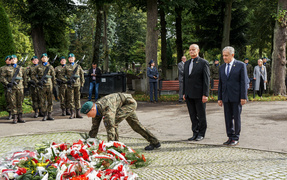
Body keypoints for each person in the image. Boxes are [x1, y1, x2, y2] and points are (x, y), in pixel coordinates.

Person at [80, 93, 161, 151]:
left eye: (88, 114)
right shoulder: (96, 111)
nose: (88, 116)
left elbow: (111, 127)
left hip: (129, 104)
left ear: (93, 109)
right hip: (120, 105)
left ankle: (115, 147)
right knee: (135, 125)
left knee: (113, 122)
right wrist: (88, 144)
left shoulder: (106, 108)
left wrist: (110, 148)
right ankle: (155, 142)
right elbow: (94, 128)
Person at [218, 46, 248, 146]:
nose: (224, 57)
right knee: (227, 118)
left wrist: (244, 97)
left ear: (232, 55)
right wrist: (219, 98)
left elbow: (244, 82)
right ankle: (230, 137)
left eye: (226, 55)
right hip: (226, 97)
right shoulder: (221, 67)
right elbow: (221, 84)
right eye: (223, 56)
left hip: (237, 97)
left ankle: (236, 137)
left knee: (236, 117)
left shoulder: (240, 65)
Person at [183, 44, 210, 141]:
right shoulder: (187, 63)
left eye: (193, 50)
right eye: (190, 50)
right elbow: (185, 79)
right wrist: (183, 93)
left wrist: (205, 94)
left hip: (199, 94)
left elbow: (206, 80)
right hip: (189, 94)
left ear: (198, 50)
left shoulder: (203, 63)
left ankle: (201, 133)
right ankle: (195, 132)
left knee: (201, 115)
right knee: (193, 115)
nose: (191, 52)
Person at [0, 55, 26, 124]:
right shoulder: (6, 68)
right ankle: (14, 117)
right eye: (12, 59)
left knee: (20, 102)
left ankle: (20, 117)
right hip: (11, 88)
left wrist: (26, 86)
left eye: (14, 59)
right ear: (10, 60)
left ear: (17, 60)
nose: (13, 60)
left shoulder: (21, 68)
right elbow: (2, 78)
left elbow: (25, 77)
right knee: (13, 103)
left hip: (20, 87)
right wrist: (7, 83)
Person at [32, 53, 56, 121]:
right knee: (42, 101)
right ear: (41, 59)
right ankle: (45, 114)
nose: (44, 58)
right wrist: (37, 81)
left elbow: (53, 77)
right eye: (43, 57)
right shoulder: (37, 67)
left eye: (45, 57)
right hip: (41, 85)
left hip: (49, 85)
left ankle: (50, 114)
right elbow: (33, 75)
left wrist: (54, 86)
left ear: (47, 58)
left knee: (50, 100)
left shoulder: (50, 67)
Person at [65, 53, 85, 119]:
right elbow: (61, 75)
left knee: (78, 99)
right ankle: (72, 113)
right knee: (71, 99)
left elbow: (82, 76)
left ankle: (78, 113)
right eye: (70, 58)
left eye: (72, 58)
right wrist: (66, 81)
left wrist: (82, 85)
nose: (71, 59)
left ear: (74, 58)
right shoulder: (66, 66)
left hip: (77, 84)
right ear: (68, 59)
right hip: (70, 85)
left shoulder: (78, 66)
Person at [1, 56, 13, 120]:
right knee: (9, 100)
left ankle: (16, 114)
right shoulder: (2, 68)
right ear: (5, 61)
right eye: (7, 60)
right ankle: (10, 113)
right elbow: (2, 78)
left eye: (10, 59)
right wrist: (7, 83)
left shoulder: (15, 67)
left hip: (15, 86)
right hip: (7, 87)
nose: (9, 61)